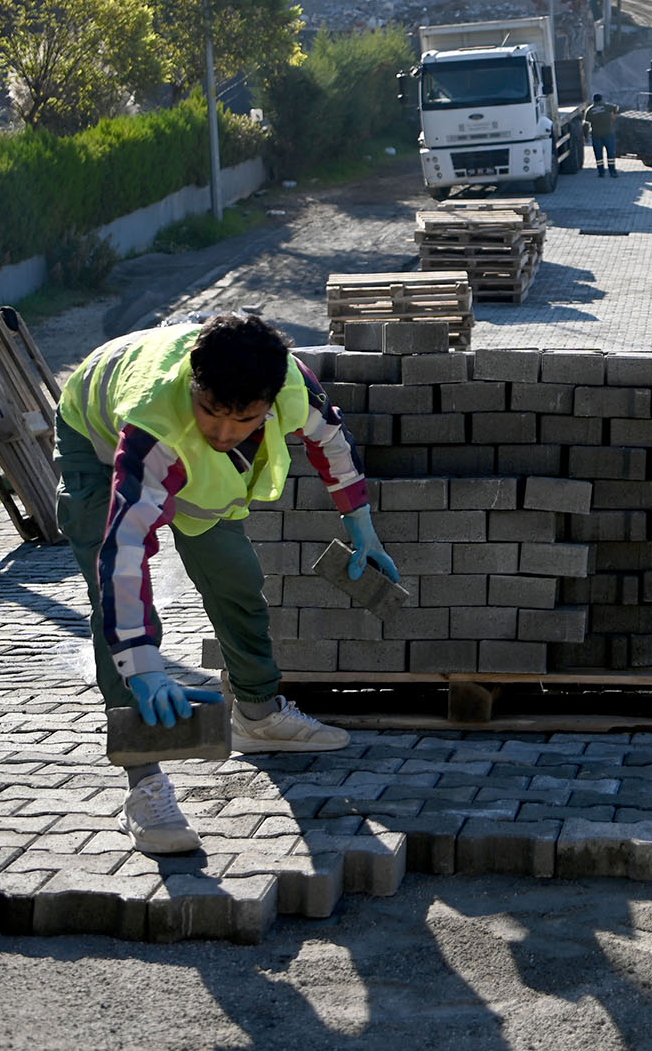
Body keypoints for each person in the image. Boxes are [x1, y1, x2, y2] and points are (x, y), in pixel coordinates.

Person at [56, 313, 400, 854]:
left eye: (244, 420)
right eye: (211, 413)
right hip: (94, 435)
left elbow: (331, 438)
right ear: (196, 386)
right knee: (115, 613)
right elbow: (124, 557)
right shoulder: (155, 425)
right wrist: (143, 667)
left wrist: (359, 523)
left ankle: (258, 716)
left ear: (268, 400)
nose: (223, 433)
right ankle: (143, 783)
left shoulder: (289, 383)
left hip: (171, 442)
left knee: (236, 579)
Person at [584, 92, 619, 177]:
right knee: (610, 154)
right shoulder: (607, 106)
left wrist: (586, 137)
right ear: (601, 99)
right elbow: (616, 108)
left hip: (596, 135)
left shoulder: (589, 110)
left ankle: (601, 172)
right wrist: (613, 115)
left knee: (598, 155)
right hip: (608, 134)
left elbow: (585, 124)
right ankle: (612, 172)